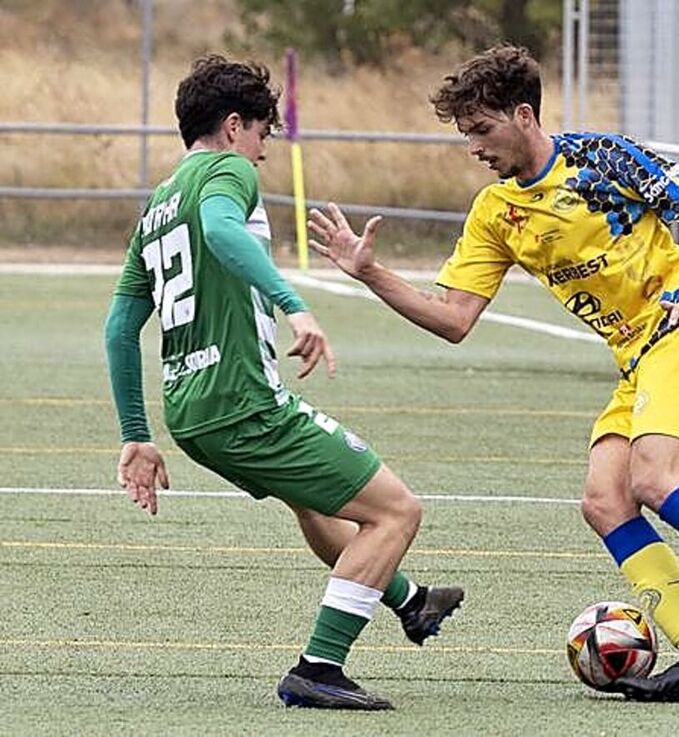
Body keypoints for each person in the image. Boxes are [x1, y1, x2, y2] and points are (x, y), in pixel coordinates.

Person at [307, 45, 679, 704]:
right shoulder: (497, 212)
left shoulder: (600, 159)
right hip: (638, 361)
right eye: (465, 133)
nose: (472, 147)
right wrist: (370, 272)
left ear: (523, 114)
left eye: (481, 129)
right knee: (605, 500)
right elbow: (453, 318)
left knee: (653, 477)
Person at [104, 55, 463, 711]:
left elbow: (119, 327)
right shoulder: (228, 169)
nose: (266, 151)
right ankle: (319, 667)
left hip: (190, 415)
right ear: (234, 125)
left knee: (319, 505)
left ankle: (410, 601)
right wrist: (291, 302)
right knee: (397, 509)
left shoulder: (156, 206)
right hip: (240, 402)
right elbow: (218, 231)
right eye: (265, 132)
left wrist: (137, 435)